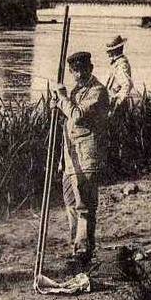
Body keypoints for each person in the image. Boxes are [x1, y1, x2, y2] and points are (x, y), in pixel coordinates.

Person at [49, 51, 110, 265]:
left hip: (86, 158)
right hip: (69, 159)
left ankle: (84, 250)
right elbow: (66, 123)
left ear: (91, 68)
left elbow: (76, 115)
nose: (78, 74)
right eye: (75, 71)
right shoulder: (75, 91)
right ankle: (76, 247)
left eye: (83, 69)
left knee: (85, 205)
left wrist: (63, 99)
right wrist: (56, 105)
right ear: (71, 72)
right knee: (70, 204)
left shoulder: (98, 91)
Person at [104, 35, 134, 116]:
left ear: (115, 51)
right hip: (114, 104)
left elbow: (127, 85)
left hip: (117, 108)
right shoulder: (118, 63)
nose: (108, 53)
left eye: (109, 51)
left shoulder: (121, 65)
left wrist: (117, 101)